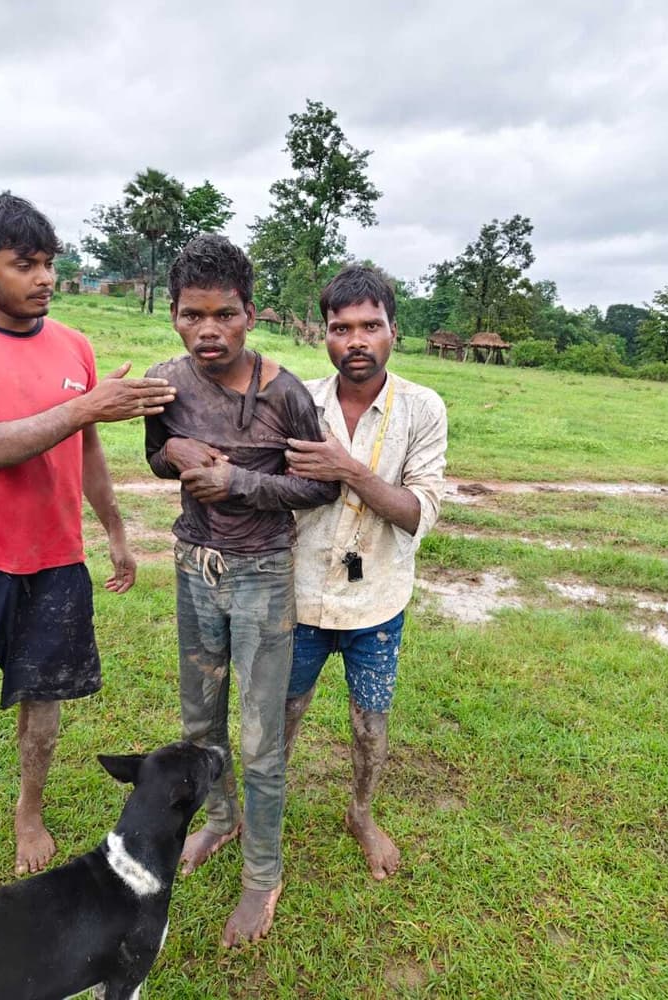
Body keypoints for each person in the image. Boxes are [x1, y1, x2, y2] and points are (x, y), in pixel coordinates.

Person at [0, 191, 175, 876]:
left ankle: (28, 811)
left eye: (49, 263)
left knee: (44, 700)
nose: (44, 279)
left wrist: (115, 531)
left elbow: (85, 450)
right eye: (24, 265)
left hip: (55, 560)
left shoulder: (73, 345)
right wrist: (84, 407)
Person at [144, 234, 339, 946]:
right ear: (173, 314)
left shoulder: (286, 393)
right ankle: (222, 820)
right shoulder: (166, 384)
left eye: (224, 314)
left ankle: (263, 875)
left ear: (250, 315)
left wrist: (239, 481)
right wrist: (173, 450)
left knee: (260, 740)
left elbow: (320, 487)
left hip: (262, 576)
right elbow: (155, 457)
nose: (209, 330)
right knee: (199, 723)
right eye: (192, 315)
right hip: (194, 567)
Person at [283, 265, 447, 880]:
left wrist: (346, 468)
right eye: (341, 327)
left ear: (393, 330)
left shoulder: (422, 409)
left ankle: (361, 811)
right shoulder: (298, 401)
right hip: (297, 595)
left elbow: (417, 512)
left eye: (370, 326)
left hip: (377, 600)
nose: (356, 340)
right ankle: (262, 808)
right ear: (323, 334)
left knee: (370, 723)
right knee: (281, 715)